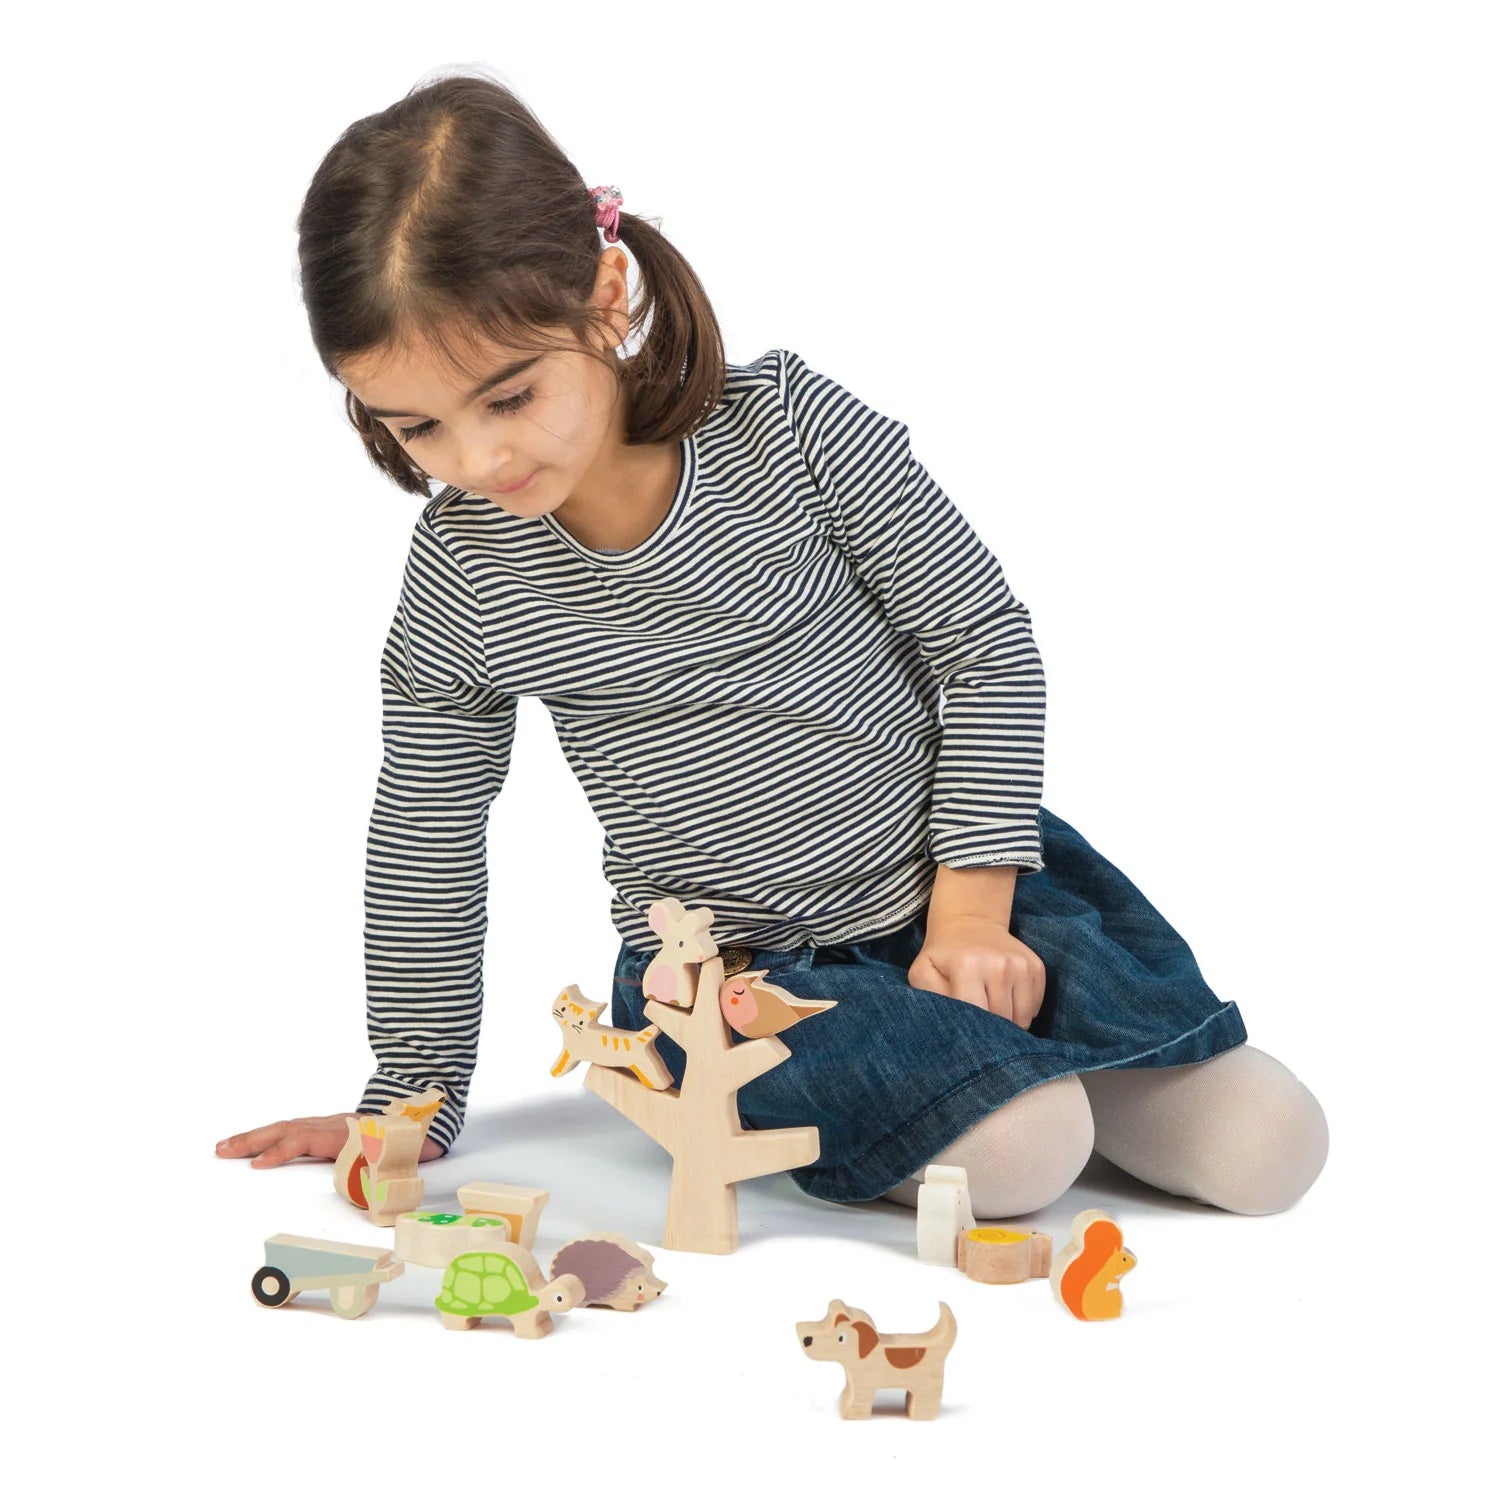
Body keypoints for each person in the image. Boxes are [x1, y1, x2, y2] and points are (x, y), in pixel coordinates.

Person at [216, 69, 1328, 1217]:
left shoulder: (791, 428)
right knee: (1029, 1153)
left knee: (1270, 1147)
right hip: (741, 981)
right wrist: (412, 1093)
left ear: (606, 297)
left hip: (964, 886)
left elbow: (984, 644)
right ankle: (1006, 1086)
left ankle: (1022, 1066)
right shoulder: (466, 576)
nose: (478, 460)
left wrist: (971, 916)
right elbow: (426, 835)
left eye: (509, 398)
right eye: (418, 427)